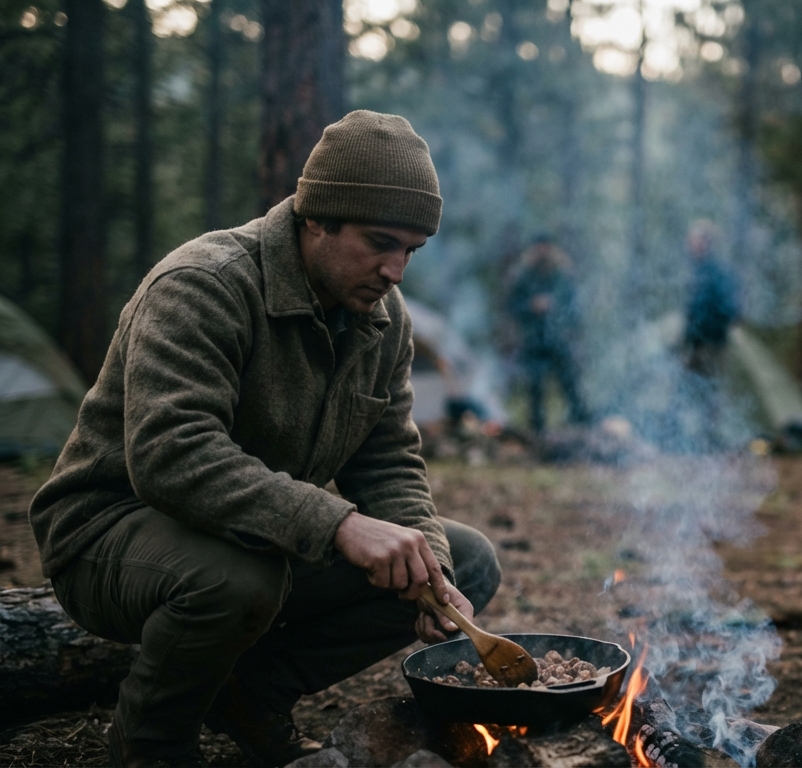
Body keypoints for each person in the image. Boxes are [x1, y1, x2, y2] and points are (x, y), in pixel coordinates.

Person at [27, 111, 501, 768]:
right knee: (237, 580)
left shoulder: (383, 322)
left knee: (464, 559)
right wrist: (339, 524)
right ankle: (150, 745)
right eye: (380, 242)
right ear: (316, 219)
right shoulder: (205, 284)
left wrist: (435, 577)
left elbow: (388, 460)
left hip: (259, 532)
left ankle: (249, 695)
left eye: (411, 252)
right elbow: (172, 455)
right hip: (111, 528)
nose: (395, 271)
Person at [506, 235, 589, 433]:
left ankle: (581, 423)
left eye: (546, 248)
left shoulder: (562, 277)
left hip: (558, 341)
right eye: (539, 248)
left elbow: (574, 310)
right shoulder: (523, 278)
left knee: (570, 383)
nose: (543, 252)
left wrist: (555, 308)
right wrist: (531, 307)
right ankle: (538, 432)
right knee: (535, 388)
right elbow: (513, 309)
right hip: (533, 341)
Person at [679, 220, 740, 450]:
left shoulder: (717, 273)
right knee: (687, 390)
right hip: (695, 343)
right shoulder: (697, 271)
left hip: (711, 343)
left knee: (710, 394)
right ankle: (690, 440)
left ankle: (709, 440)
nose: (691, 245)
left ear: (706, 242)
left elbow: (730, 310)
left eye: (695, 241)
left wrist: (710, 326)